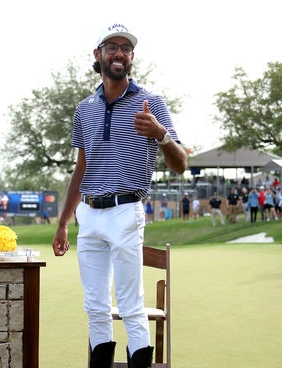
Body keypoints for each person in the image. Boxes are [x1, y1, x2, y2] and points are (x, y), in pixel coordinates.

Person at [51, 23, 187, 368]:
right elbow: (81, 168)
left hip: (126, 210)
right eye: (111, 47)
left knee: (130, 304)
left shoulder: (151, 102)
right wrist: (64, 222)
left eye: (125, 48)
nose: (119, 53)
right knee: (95, 306)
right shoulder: (85, 108)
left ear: (131, 58)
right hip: (89, 213)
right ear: (97, 55)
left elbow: (181, 164)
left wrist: (160, 135)